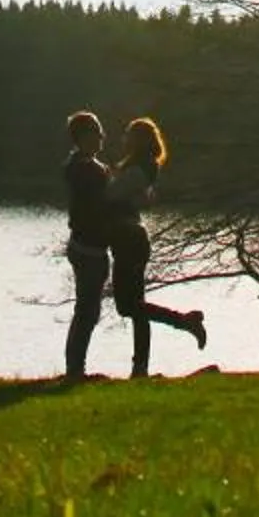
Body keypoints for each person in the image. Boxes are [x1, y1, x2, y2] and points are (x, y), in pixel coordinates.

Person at [105, 115, 207, 378]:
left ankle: (184, 321)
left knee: (128, 306)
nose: (125, 139)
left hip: (128, 239)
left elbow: (111, 195)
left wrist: (104, 180)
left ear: (139, 140)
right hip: (131, 239)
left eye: (129, 134)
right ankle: (140, 367)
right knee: (137, 306)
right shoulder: (142, 168)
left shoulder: (139, 169)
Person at [61, 110, 111, 383]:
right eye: (95, 133)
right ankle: (75, 369)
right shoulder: (86, 169)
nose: (101, 138)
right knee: (87, 311)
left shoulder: (85, 166)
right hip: (88, 247)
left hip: (88, 245)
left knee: (88, 310)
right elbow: (99, 206)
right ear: (82, 137)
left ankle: (75, 367)